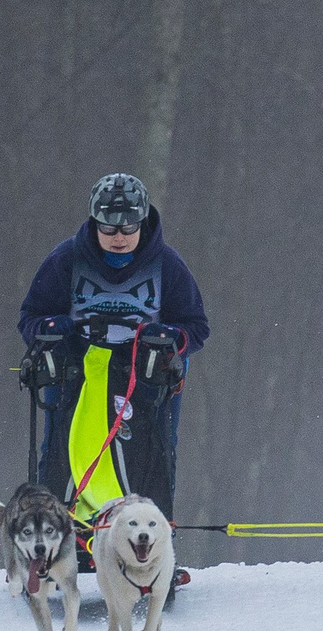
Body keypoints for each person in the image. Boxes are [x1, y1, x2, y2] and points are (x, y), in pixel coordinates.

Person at [17, 173, 209, 540]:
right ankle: (53, 538)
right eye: (109, 228)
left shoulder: (167, 265)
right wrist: (51, 327)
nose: (119, 237)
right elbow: (29, 317)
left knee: (156, 451)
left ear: (142, 223)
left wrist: (171, 337)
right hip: (77, 371)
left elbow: (196, 328)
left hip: (146, 377)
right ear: (95, 223)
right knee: (59, 448)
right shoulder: (65, 261)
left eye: (128, 228)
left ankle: (152, 544)